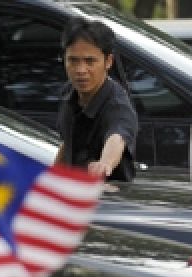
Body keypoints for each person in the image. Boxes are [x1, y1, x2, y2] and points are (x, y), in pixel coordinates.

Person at [53, 18, 139, 182]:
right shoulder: (68, 93)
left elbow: (117, 137)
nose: (80, 70)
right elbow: (67, 144)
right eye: (73, 60)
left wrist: (105, 163)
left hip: (109, 201)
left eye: (90, 61)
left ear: (108, 61)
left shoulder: (117, 105)